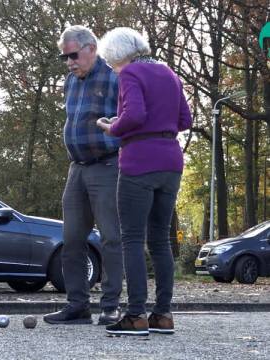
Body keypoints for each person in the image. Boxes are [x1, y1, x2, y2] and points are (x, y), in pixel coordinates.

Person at [97, 27, 192, 336]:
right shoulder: (169, 73)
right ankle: (162, 314)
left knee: (132, 239)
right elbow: (185, 121)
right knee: (161, 240)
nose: (112, 67)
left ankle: (136, 314)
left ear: (118, 55)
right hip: (171, 161)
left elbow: (134, 115)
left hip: (140, 161)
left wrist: (113, 127)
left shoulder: (130, 74)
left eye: (111, 62)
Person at [43, 25, 123, 325]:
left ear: (92, 48)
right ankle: (77, 305)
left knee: (112, 238)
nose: (69, 62)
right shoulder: (70, 82)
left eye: (73, 55)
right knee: (72, 240)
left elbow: (130, 119)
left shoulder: (116, 77)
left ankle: (111, 305)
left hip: (107, 165)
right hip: (76, 169)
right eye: (65, 57)